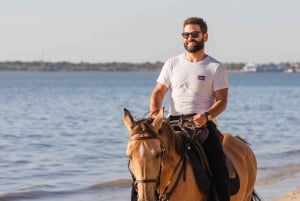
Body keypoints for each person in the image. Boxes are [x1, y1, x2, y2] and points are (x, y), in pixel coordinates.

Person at [149, 17, 230, 201]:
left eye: (195, 34)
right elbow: (158, 92)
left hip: (202, 125)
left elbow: (222, 101)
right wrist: (155, 115)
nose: (190, 38)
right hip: (172, 122)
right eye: (186, 34)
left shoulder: (215, 67)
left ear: (205, 36)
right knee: (145, 158)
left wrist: (207, 116)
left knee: (218, 166)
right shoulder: (172, 63)